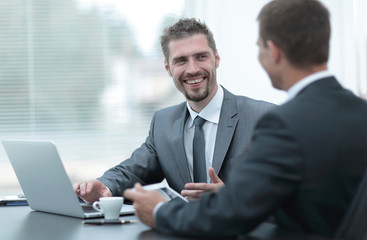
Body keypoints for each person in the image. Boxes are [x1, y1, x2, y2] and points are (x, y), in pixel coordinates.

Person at [124, 0, 367, 238]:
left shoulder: (282, 123)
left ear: (273, 51)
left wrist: (159, 211)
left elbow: (232, 213)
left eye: (259, 47)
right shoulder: (360, 111)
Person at [74, 18, 274, 203]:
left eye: (201, 57)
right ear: (168, 68)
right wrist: (104, 186)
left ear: (217, 59)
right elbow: (134, 170)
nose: (192, 69)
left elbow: (285, 193)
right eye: (181, 60)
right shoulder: (163, 122)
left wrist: (231, 197)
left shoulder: (263, 118)